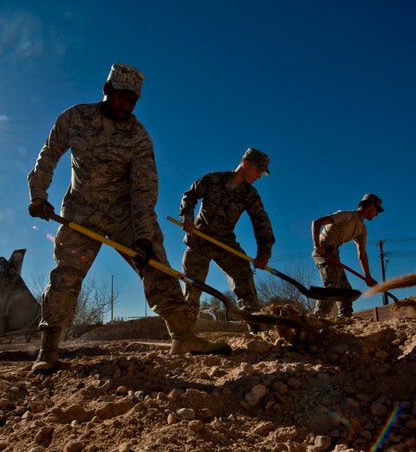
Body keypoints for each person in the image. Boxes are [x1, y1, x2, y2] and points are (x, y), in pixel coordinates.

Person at [27, 63, 231, 373]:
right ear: (107, 90)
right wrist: (38, 195)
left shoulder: (138, 136)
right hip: (81, 210)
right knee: (66, 275)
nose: (127, 105)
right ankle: (49, 349)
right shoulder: (76, 117)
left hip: (126, 212)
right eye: (122, 96)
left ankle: (183, 336)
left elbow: (144, 189)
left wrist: (144, 236)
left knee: (157, 267)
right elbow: (49, 153)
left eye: (133, 100)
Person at [179, 148, 275, 333]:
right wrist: (188, 217)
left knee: (244, 276)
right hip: (199, 240)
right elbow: (190, 195)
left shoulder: (251, 195)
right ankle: (184, 335)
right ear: (246, 164)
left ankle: (256, 331)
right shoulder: (212, 179)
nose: (259, 176)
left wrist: (264, 252)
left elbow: (261, 221)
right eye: (258, 171)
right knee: (192, 287)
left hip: (225, 243)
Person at [311, 193, 383, 318]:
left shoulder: (362, 229)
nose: (377, 214)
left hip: (334, 254)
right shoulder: (346, 215)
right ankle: (316, 318)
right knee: (332, 287)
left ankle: (344, 322)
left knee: (347, 293)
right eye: (377, 211)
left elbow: (362, 254)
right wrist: (317, 246)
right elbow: (317, 222)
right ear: (371, 205)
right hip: (323, 251)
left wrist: (368, 277)